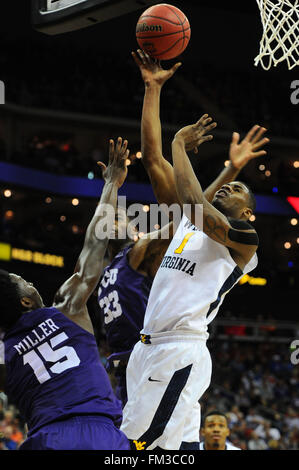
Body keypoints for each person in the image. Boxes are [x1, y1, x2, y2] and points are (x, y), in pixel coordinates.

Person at [97, 49, 269, 407]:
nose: (118, 220)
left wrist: (219, 165)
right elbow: (153, 158)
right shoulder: (114, 259)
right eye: (115, 218)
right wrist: (152, 88)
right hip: (135, 358)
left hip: (167, 353)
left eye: (120, 217)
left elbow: (195, 205)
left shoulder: (148, 248)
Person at [121, 106, 266, 449]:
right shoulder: (190, 223)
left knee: (133, 446)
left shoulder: (244, 240)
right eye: (227, 186)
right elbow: (179, 187)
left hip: (179, 350)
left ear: (247, 213)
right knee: (180, 448)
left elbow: (194, 201)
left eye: (237, 189)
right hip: (145, 347)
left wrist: (179, 144)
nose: (228, 188)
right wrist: (232, 167)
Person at [0, 137, 131, 450]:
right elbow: (94, 244)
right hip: (101, 434)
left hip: (47, 439)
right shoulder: (66, 306)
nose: (28, 280)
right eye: (21, 280)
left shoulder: (4, 354)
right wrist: (112, 184)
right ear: (26, 300)